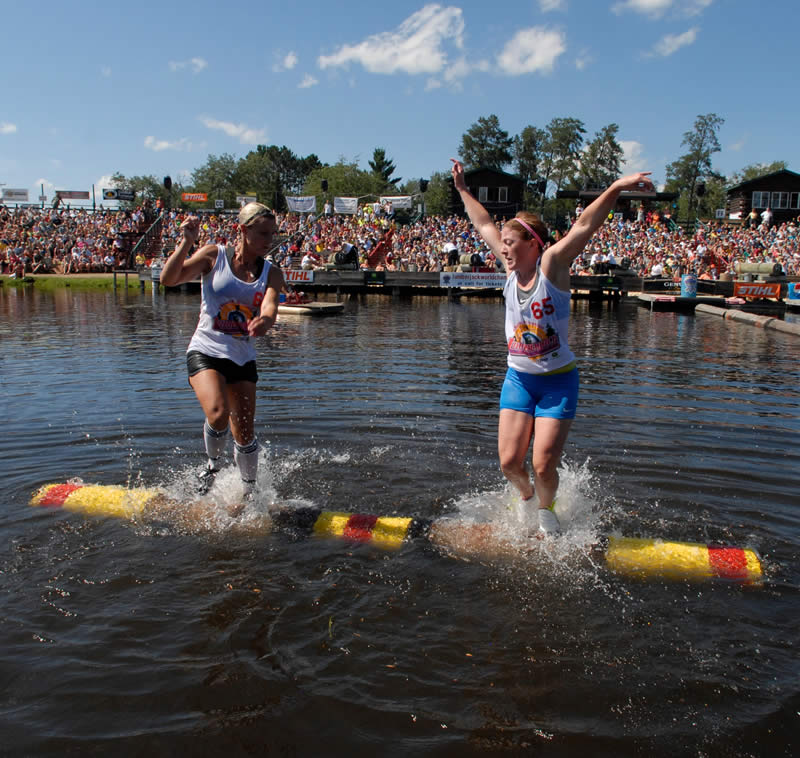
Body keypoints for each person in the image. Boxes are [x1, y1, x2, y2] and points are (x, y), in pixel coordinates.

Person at [451, 158, 653, 535]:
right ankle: (527, 497)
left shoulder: (553, 264)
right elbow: (482, 223)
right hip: (519, 379)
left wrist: (616, 188)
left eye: (511, 243)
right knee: (510, 463)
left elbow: (584, 226)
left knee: (543, 464)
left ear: (533, 243)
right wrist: (463, 189)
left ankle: (547, 509)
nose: (503, 249)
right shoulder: (511, 270)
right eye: (503, 244)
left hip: (558, 382)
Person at [159, 202, 284, 497]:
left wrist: (265, 321)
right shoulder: (214, 256)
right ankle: (212, 466)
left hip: (242, 358)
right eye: (264, 234)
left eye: (273, 234)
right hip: (206, 349)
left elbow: (270, 306)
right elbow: (168, 279)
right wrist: (187, 242)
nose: (270, 241)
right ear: (243, 230)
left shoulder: (272, 273)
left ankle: (249, 491)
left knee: (245, 434)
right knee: (217, 413)